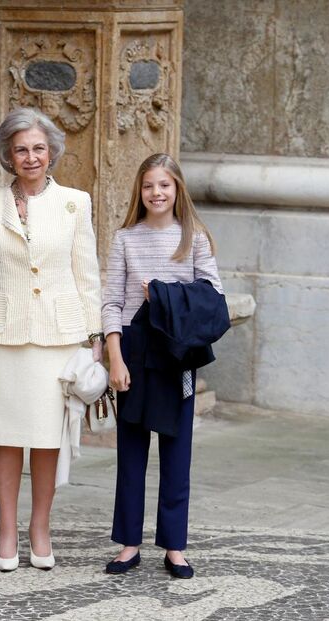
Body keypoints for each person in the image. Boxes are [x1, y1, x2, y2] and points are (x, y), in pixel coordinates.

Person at [0, 107, 103, 572]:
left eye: (39, 148)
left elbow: (87, 275)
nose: (31, 157)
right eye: (21, 149)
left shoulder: (75, 203)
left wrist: (96, 338)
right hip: (2, 336)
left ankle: (40, 527)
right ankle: (6, 529)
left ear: (52, 151)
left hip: (58, 338)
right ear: (8, 154)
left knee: (47, 440)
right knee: (6, 437)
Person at [102, 153, 226, 579]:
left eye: (164, 185)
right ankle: (129, 543)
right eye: (148, 185)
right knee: (131, 452)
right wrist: (115, 358)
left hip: (177, 356)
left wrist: (161, 294)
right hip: (133, 350)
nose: (156, 193)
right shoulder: (125, 239)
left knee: (177, 452)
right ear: (139, 191)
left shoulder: (194, 238)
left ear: (177, 189)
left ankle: (175, 546)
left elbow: (212, 296)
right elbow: (111, 303)